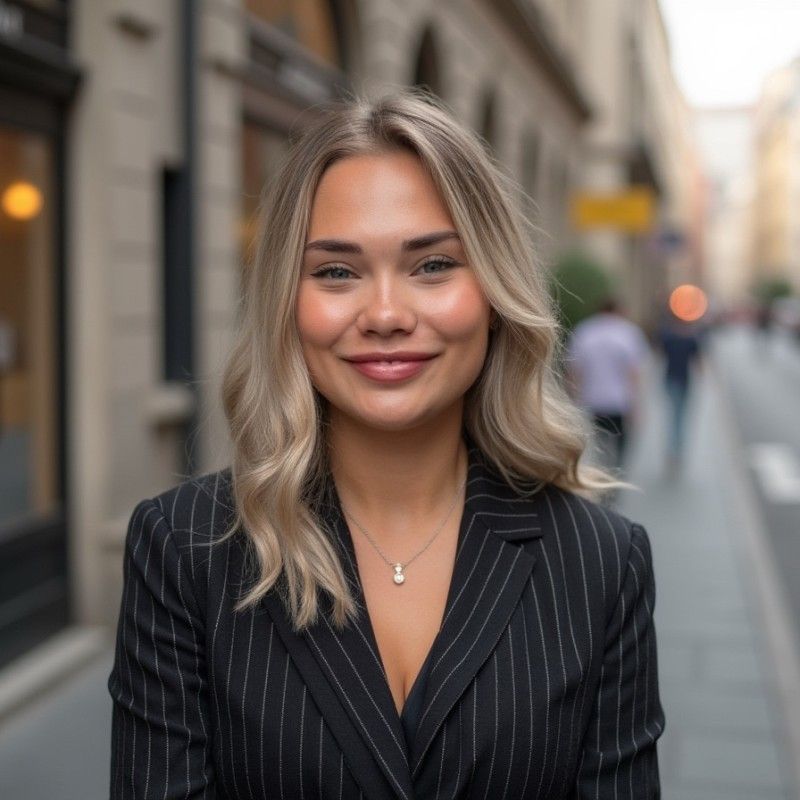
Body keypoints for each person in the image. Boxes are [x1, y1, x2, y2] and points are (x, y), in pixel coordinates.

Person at [108, 91, 664, 799]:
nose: (386, 314)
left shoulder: (602, 562)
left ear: (493, 293)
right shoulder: (184, 548)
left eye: (432, 265)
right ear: (288, 302)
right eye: (336, 271)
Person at [566, 298, 649, 470]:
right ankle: (616, 470)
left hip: (593, 398)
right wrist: (636, 404)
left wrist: (573, 398)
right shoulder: (628, 332)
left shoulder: (585, 330)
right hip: (620, 400)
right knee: (621, 440)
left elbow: (574, 369)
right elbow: (634, 372)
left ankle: (604, 471)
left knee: (600, 440)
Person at [658, 309, 703, 473]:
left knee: (674, 416)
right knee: (680, 417)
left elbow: (659, 355)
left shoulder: (668, 336)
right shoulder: (691, 338)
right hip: (683, 381)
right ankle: (676, 452)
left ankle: (673, 452)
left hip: (671, 380)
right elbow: (698, 362)